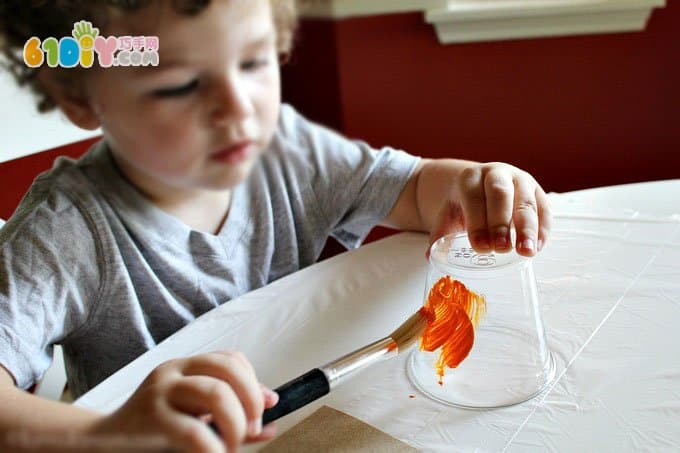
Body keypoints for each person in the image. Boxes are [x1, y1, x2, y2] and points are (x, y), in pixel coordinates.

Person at [0, 0, 552, 451]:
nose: (237, 109)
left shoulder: (287, 151)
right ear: (80, 94)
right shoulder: (65, 230)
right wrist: (107, 435)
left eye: (254, 62)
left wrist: (470, 184)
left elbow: (411, 190)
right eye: (177, 84)